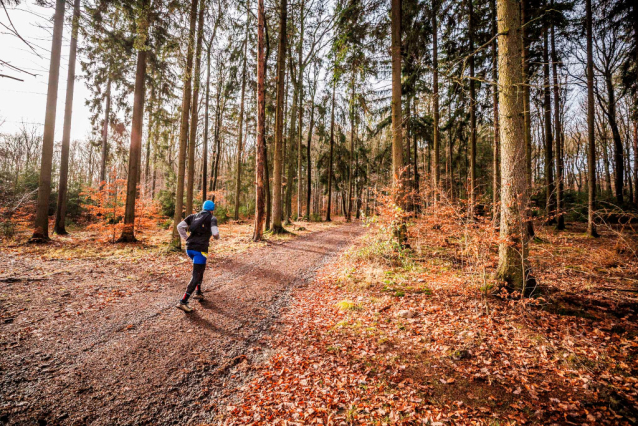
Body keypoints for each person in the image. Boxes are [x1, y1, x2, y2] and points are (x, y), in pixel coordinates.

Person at [176, 200, 220, 313]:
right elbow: (215, 234)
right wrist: (216, 237)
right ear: (212, 209)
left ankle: (198, 292)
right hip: (200, 250)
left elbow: (180, 226)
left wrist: (186, 238)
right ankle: (183, 302)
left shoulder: (193, 216)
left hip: (189, 249)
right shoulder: (212, 218)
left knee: (200, 270)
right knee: (197, 274)